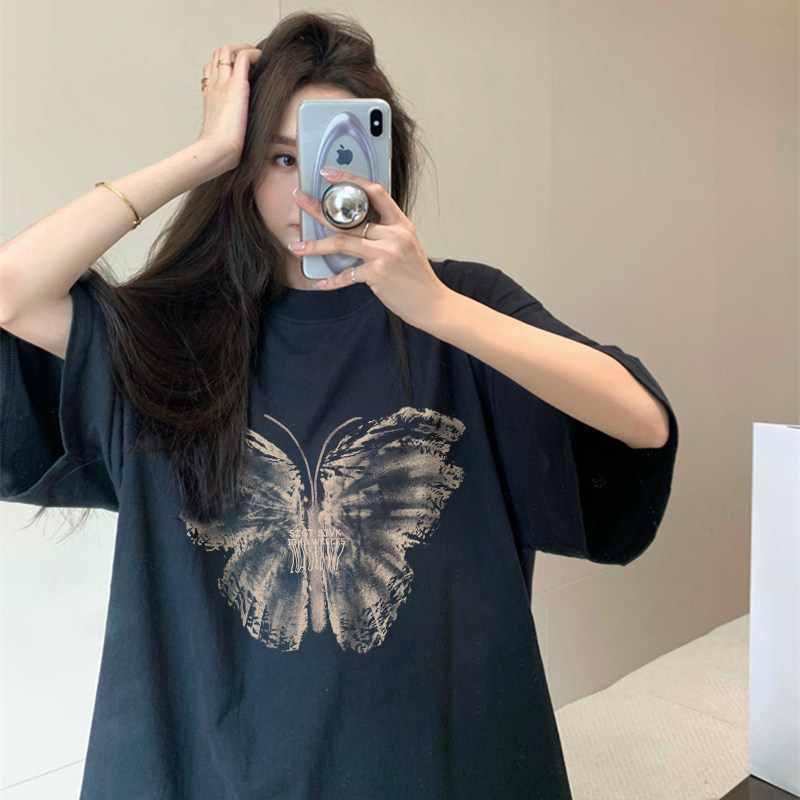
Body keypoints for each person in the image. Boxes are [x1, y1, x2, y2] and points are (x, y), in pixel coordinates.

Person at [0, 11, 678, 800]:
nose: (307, 189)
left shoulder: (461, 304)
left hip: (430, 761)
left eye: (333, 155)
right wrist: (203, 153)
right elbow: (13, 294)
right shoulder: (174, 336)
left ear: (382, 162)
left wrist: (436, 307)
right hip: (209, 766)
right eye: (279, 156)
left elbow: (641, 421)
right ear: (242, 168)